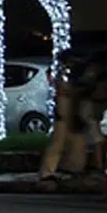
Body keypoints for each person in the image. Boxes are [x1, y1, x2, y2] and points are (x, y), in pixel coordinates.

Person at [39, 51, 85, 180]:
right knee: (58, 142)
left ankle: (73, 167)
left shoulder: (69, 73)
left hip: (70, 110)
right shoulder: (63, 73)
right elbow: (63, 90)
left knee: (76, 141)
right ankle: (47, 172)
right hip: (64, 110)